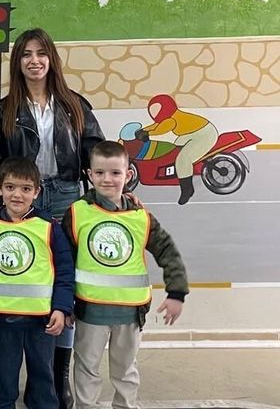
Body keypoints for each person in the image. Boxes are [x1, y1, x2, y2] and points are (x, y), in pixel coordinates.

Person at [0, 27, 105, 408]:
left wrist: (108, 196)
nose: (34, 61)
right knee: (27, 277)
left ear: (52, 59)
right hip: (22, 198)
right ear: (18, 62)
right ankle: (16, 379)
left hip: (64, 195)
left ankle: (57, 374)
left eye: (41, 53)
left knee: (62, 282)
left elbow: (96, 155)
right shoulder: (3, 111)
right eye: (26, 54)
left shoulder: (75, 105)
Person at [63, 141, 188, 409]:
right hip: (89, 312)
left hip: (130, 313)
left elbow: (167, 251)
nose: (107, 179)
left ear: (128, 175)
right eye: (99, 173)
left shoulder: (141, 216)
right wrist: (63, 305)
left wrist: (176, 292)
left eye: (115, 173)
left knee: (125, 371)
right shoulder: (76, 213)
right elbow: (63, 263)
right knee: (86, 368)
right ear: (89, 174)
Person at [0, 157, 75, 409]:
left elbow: (65, 271)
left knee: (43, 377)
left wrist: (61, 308)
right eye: (10, 187)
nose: (17, 195)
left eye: (26, 188)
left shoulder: (49, 227)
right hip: (2, 320)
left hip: (42, 321)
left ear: (37, 192)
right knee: (2, 376)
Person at [136, 94, 218, 204]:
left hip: (204, 135)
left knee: (183, 159)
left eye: (158, 110)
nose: (156, 114)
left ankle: (187, 189)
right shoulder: (171, 117)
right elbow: (157, 125)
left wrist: (148, 134)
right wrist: (143, 130)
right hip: (196, 132)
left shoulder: (171, 120)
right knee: (176, 144)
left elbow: (161, 129)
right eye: (153, 111)